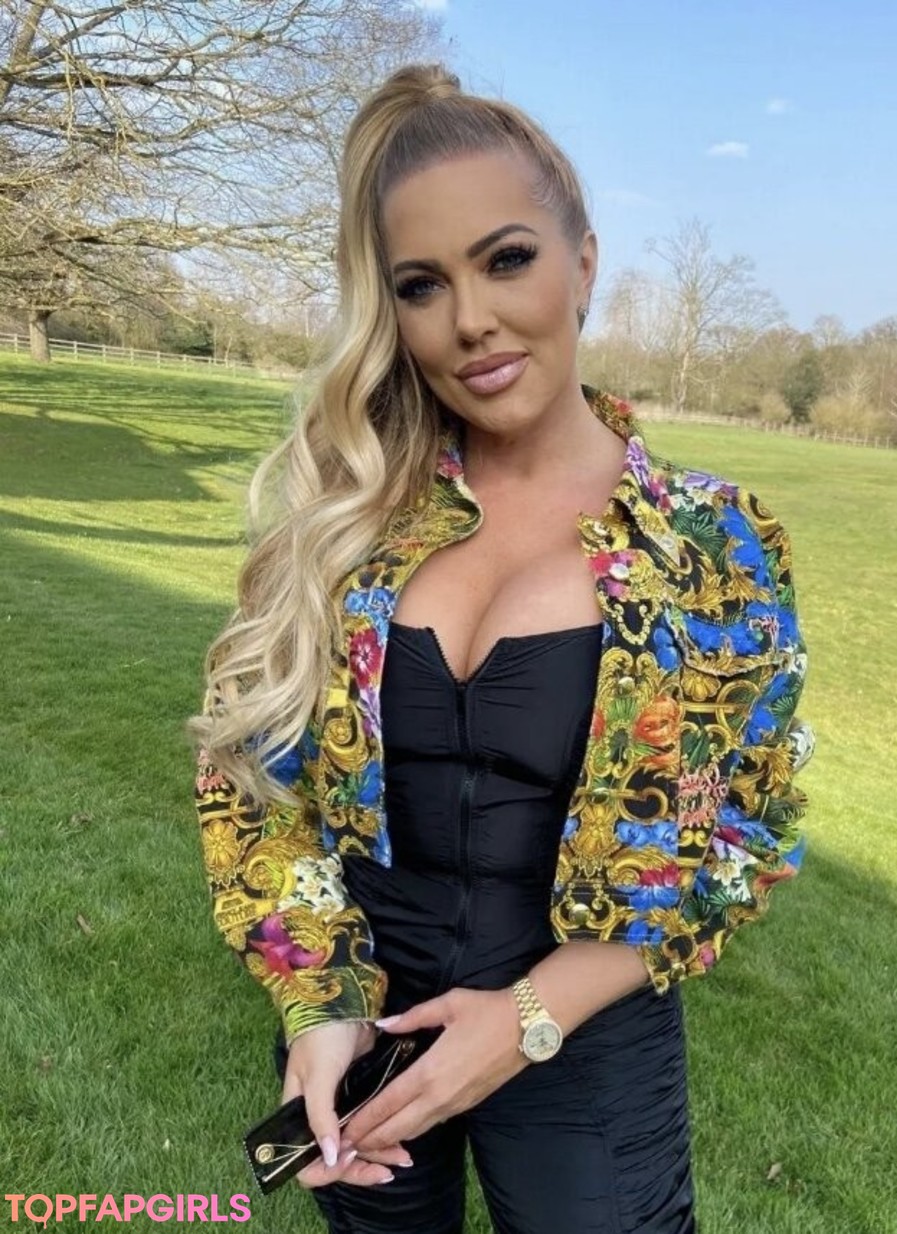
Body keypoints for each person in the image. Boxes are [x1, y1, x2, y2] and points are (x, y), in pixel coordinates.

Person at [192, 62, 814, 1234]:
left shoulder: (716, 547)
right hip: (369, 1030)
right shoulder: (348, 526)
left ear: (585, 263)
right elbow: (255, 787)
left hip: (584, 1036)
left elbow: (744, 833)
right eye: (421, 285)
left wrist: (527, 1018)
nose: (469, 317)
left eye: (507, 258)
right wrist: (316, 1004)